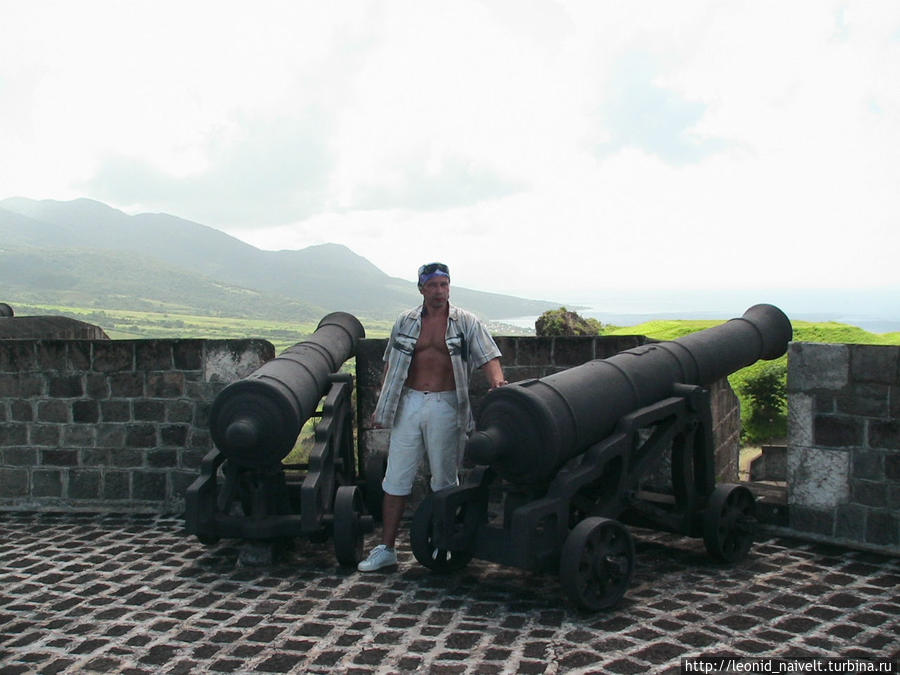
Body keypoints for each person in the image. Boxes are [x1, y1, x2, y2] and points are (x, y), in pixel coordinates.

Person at [358, 262, 506, 572]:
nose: (439, 291)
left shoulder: (465, 322)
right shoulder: (405, 321)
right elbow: (391, 364)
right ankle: (386, 549)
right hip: (409, 402)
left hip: (446, 403)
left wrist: (498, 384)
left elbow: (488, 356)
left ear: (449, 287)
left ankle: (445, 542)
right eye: (433, 285)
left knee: (444, 479)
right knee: (396, 477)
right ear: (422, 289)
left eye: (444, 285)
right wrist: (382, 404)